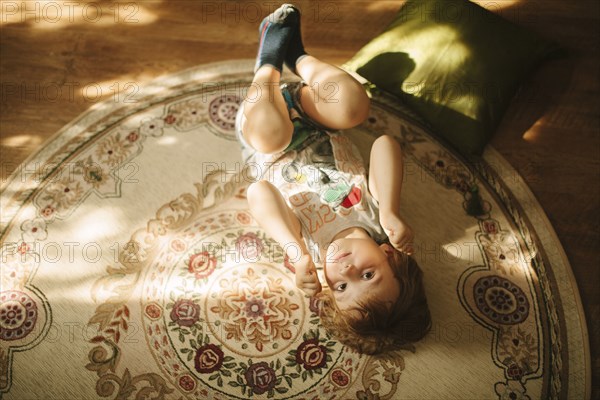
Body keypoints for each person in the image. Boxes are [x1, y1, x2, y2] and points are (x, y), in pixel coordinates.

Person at [238, 4, 431, 354]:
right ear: (389, 255)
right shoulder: (378, 222)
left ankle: (268, 62)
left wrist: (295, 253)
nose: (345, 269)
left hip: (265, 131)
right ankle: (297, 56)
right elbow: (386, 145)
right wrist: (390, 210)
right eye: (368, 274)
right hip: (314, 113)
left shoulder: (310, 250)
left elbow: (258, 192)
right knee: (354, 105)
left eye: (341, 287)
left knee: (271, 134)